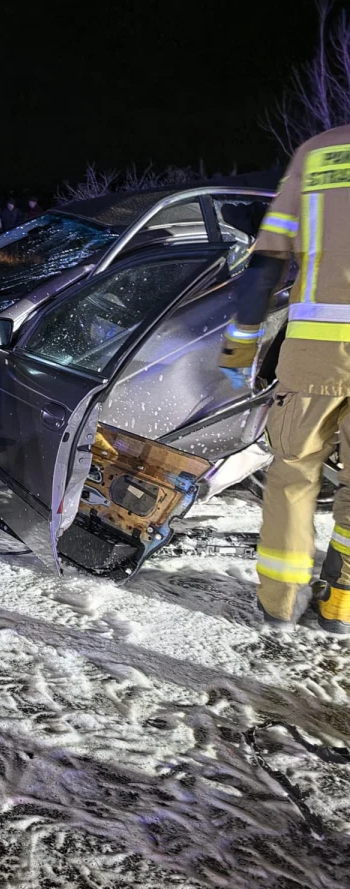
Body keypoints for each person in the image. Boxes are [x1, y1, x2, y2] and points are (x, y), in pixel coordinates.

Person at [218, 123, 350, 634]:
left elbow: (268, 259)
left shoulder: (318, 152)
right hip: (315, 354)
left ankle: (278, 603)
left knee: (293, 472)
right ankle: (339, 605)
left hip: (313, 354)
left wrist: (240, 347)